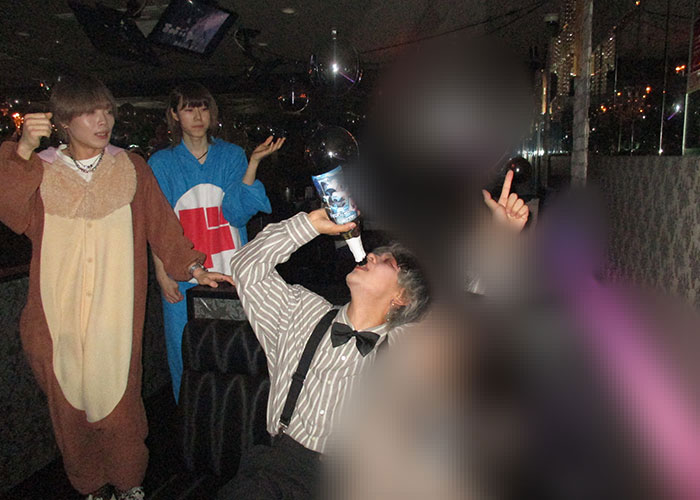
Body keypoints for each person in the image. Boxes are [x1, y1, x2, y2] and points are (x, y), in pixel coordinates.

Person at [0, 74, 233, 500]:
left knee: (120, 407)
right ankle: (90, 486)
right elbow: (11, 212)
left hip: (115, 314)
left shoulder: (130, 167)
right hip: (54, 317)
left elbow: (163, 225)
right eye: (90, 113)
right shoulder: (42, 169)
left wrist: (193, 269)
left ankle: (128, 483)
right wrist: (22, 150)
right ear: (64, 121)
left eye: (106, 111)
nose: (102, 120)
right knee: (69, 410)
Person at [217, 208, 431, 499]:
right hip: (277, 471)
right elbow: (246, 266)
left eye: (386, 261)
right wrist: (308, 225)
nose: (371, 256)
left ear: (402, 297)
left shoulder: (406, 349)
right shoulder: (302, 312)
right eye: (374, 254)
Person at [148, 82, 284, 402]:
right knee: (185, 348)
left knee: (237, 346)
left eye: (203, 108)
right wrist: (162, 273)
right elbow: (158, 224)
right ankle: (189, 417)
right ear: (174, 115)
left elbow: (236, 213)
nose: (197, 116)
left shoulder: (232, 155)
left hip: (232, 270)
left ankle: (237, 414)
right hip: (183, 275)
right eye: (188, 109)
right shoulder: (161, 164)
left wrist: (252, 165)